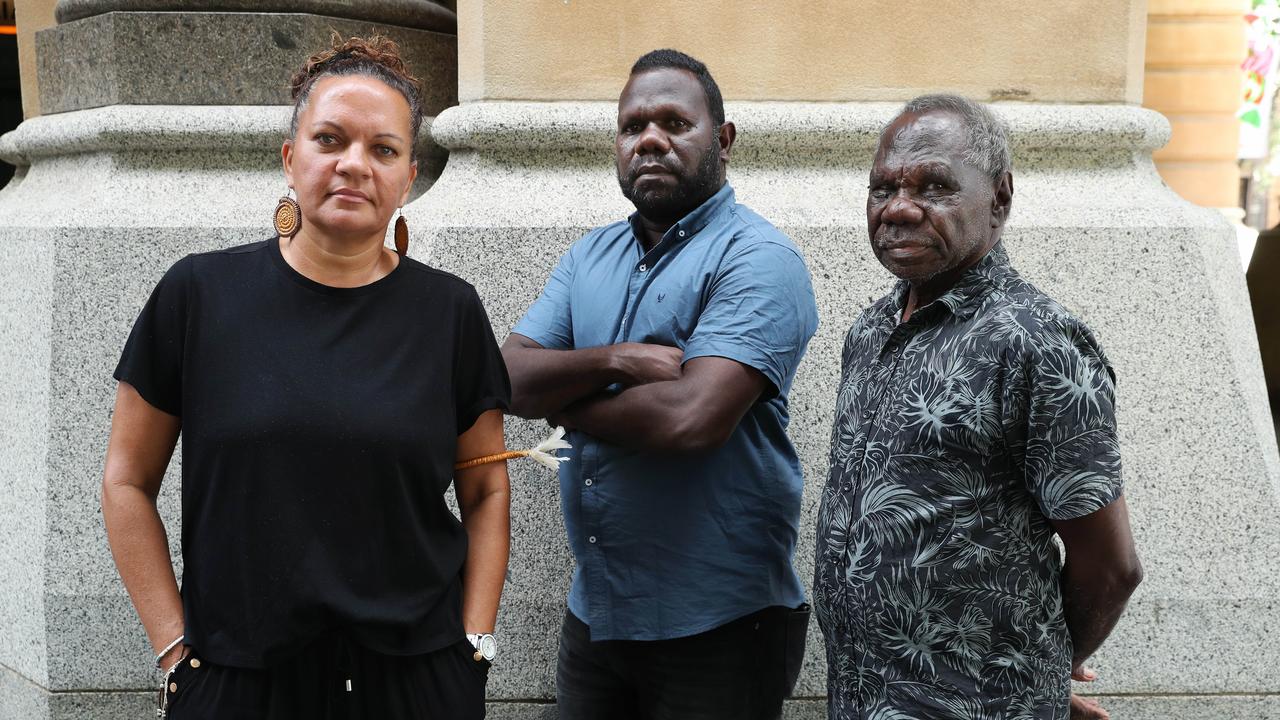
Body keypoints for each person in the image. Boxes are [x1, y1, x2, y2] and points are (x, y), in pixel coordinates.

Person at [101, 35, 511, 719]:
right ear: (291, 159)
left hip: (417, 682)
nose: (354, 164)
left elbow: (487, 485)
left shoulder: (450, 311)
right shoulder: (198, 295)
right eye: (330, 140)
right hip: (238, 680)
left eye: (382, 149)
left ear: (409, 176)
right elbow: (125, 481)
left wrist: (475, 643)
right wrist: (175, 654)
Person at [502, 49, 819, 720]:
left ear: (723, 141)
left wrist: (562, 403)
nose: (649, 138)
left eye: (675, 122)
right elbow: (507, 378)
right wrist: (618, 361)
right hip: (597, 616)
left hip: (719, 627)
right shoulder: (589, 256)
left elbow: (690, 420)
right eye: (633, 125)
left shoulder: (758, 259)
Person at [814, 94, 1143, 720]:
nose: (899, 207)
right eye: (882, 187)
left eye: (934, 187)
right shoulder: (870, 330)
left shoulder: (1036, 342)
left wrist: (1034, 676)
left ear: (1000, 198)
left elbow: (1111, 568)